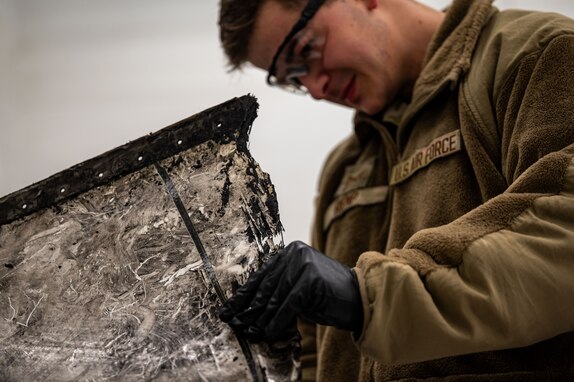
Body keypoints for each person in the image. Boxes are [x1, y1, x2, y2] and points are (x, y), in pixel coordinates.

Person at [217, 0, 574, 380]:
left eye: (305, 51)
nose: (317, 89)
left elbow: (564, 237)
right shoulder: (345, 166)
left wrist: (366, 295)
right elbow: (315, 355)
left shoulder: (538, 55)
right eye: (293, 79)